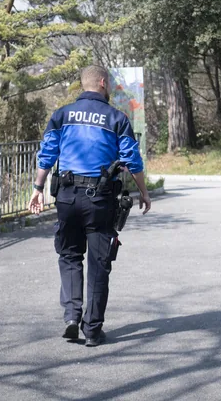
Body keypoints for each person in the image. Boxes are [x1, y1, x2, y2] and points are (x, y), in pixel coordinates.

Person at [29, 65, 152, 347]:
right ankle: (92, 331)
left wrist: (37, 189)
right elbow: (132, 159)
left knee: (70, 255)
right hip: (99, 198)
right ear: (102, 82)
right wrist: (144, 192)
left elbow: (47, 153)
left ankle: (72, 316)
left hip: (67, 197)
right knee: (99, 263)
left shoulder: (61, 115)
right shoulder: (116, 117)